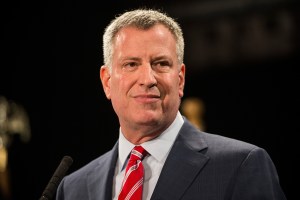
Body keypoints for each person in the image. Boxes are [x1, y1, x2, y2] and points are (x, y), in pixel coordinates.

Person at [56, 8, 287, 200]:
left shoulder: (240, 166)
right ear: (107, 81)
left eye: (161, 63)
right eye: (131, 64)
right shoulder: (73, 189)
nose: (147, 79)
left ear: (180, 79)